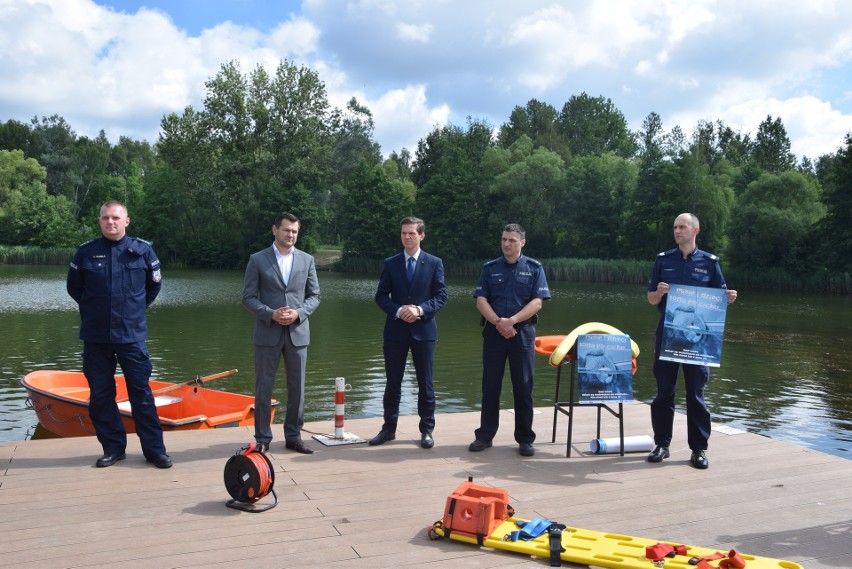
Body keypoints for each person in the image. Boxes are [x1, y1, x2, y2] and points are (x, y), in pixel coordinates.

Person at [66, 200, 171, 469]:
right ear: (99, 221)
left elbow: (153, 288)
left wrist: (133, 310)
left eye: (115, 217)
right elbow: (74, 289)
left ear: (126, 221)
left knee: (142, 394)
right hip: (96, 336)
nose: (110, 222)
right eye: (105, 218)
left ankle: (154, 450)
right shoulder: (85, 253)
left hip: (131, 335)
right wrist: (96, 310)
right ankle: (113, 448)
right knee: (101, 395)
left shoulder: (143, 251)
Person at [646, 212, 738, 469]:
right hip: (668, 336)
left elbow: (720, 298)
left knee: (696, 395)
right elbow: (651, 298)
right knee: (664, 393)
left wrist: (728, 297)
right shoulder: (663, 260)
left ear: (695, 230)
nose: (677, 231)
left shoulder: (709, 262)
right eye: (674, 227)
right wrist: (659, 293)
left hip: (697, 344)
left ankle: (698, 449)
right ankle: (661, 444)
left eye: (682, 226)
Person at [469, 223, 550, 457]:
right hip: (494, 334)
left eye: (512, 240)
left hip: (522, 335)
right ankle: (484, 436)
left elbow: (537, 302)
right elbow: (480, 300)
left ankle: (525, 438)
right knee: (490, 386)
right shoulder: (490, 268)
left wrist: (511, 321)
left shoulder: (534, 268)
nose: (507, 244)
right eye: (504, 239)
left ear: (522, 242)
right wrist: (499, 323)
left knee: (523, 387)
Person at [242, 213, 321, 454]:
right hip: (268, 331)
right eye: (287, 230)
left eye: (295, 231)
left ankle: (293, 437)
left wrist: (298, 313)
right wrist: (270, 314)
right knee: (263, 387)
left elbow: (315, 296)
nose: (291, 235)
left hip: (297, 332)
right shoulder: (257, 260)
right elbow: (247, 298)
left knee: (297, 387)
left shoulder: (307, 260)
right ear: (274, 230)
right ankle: (263, 438)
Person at [370, 217, 448, 449]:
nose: (407, 237)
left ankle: (426, 430)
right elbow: (381, 295)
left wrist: (420, 310)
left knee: (426, 384)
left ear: (421, 235)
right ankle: (388, 429)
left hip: (424, 332)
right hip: (395, 332)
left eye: (412, 233)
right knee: (392, 383)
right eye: (404, 233)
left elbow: (441, 296)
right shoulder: (391, 263)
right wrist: (398, 310)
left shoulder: (434, 263)